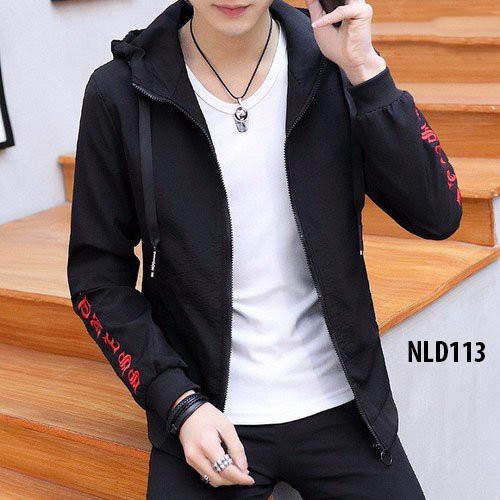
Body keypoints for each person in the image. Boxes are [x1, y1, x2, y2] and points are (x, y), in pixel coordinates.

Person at [67, 0, 462, 498]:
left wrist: (365, 70)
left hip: (344, 404)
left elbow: (439, 213)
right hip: (208, 411)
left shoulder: (332, 61)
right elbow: (97, 279)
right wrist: (178, 402)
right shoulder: (121, 92)